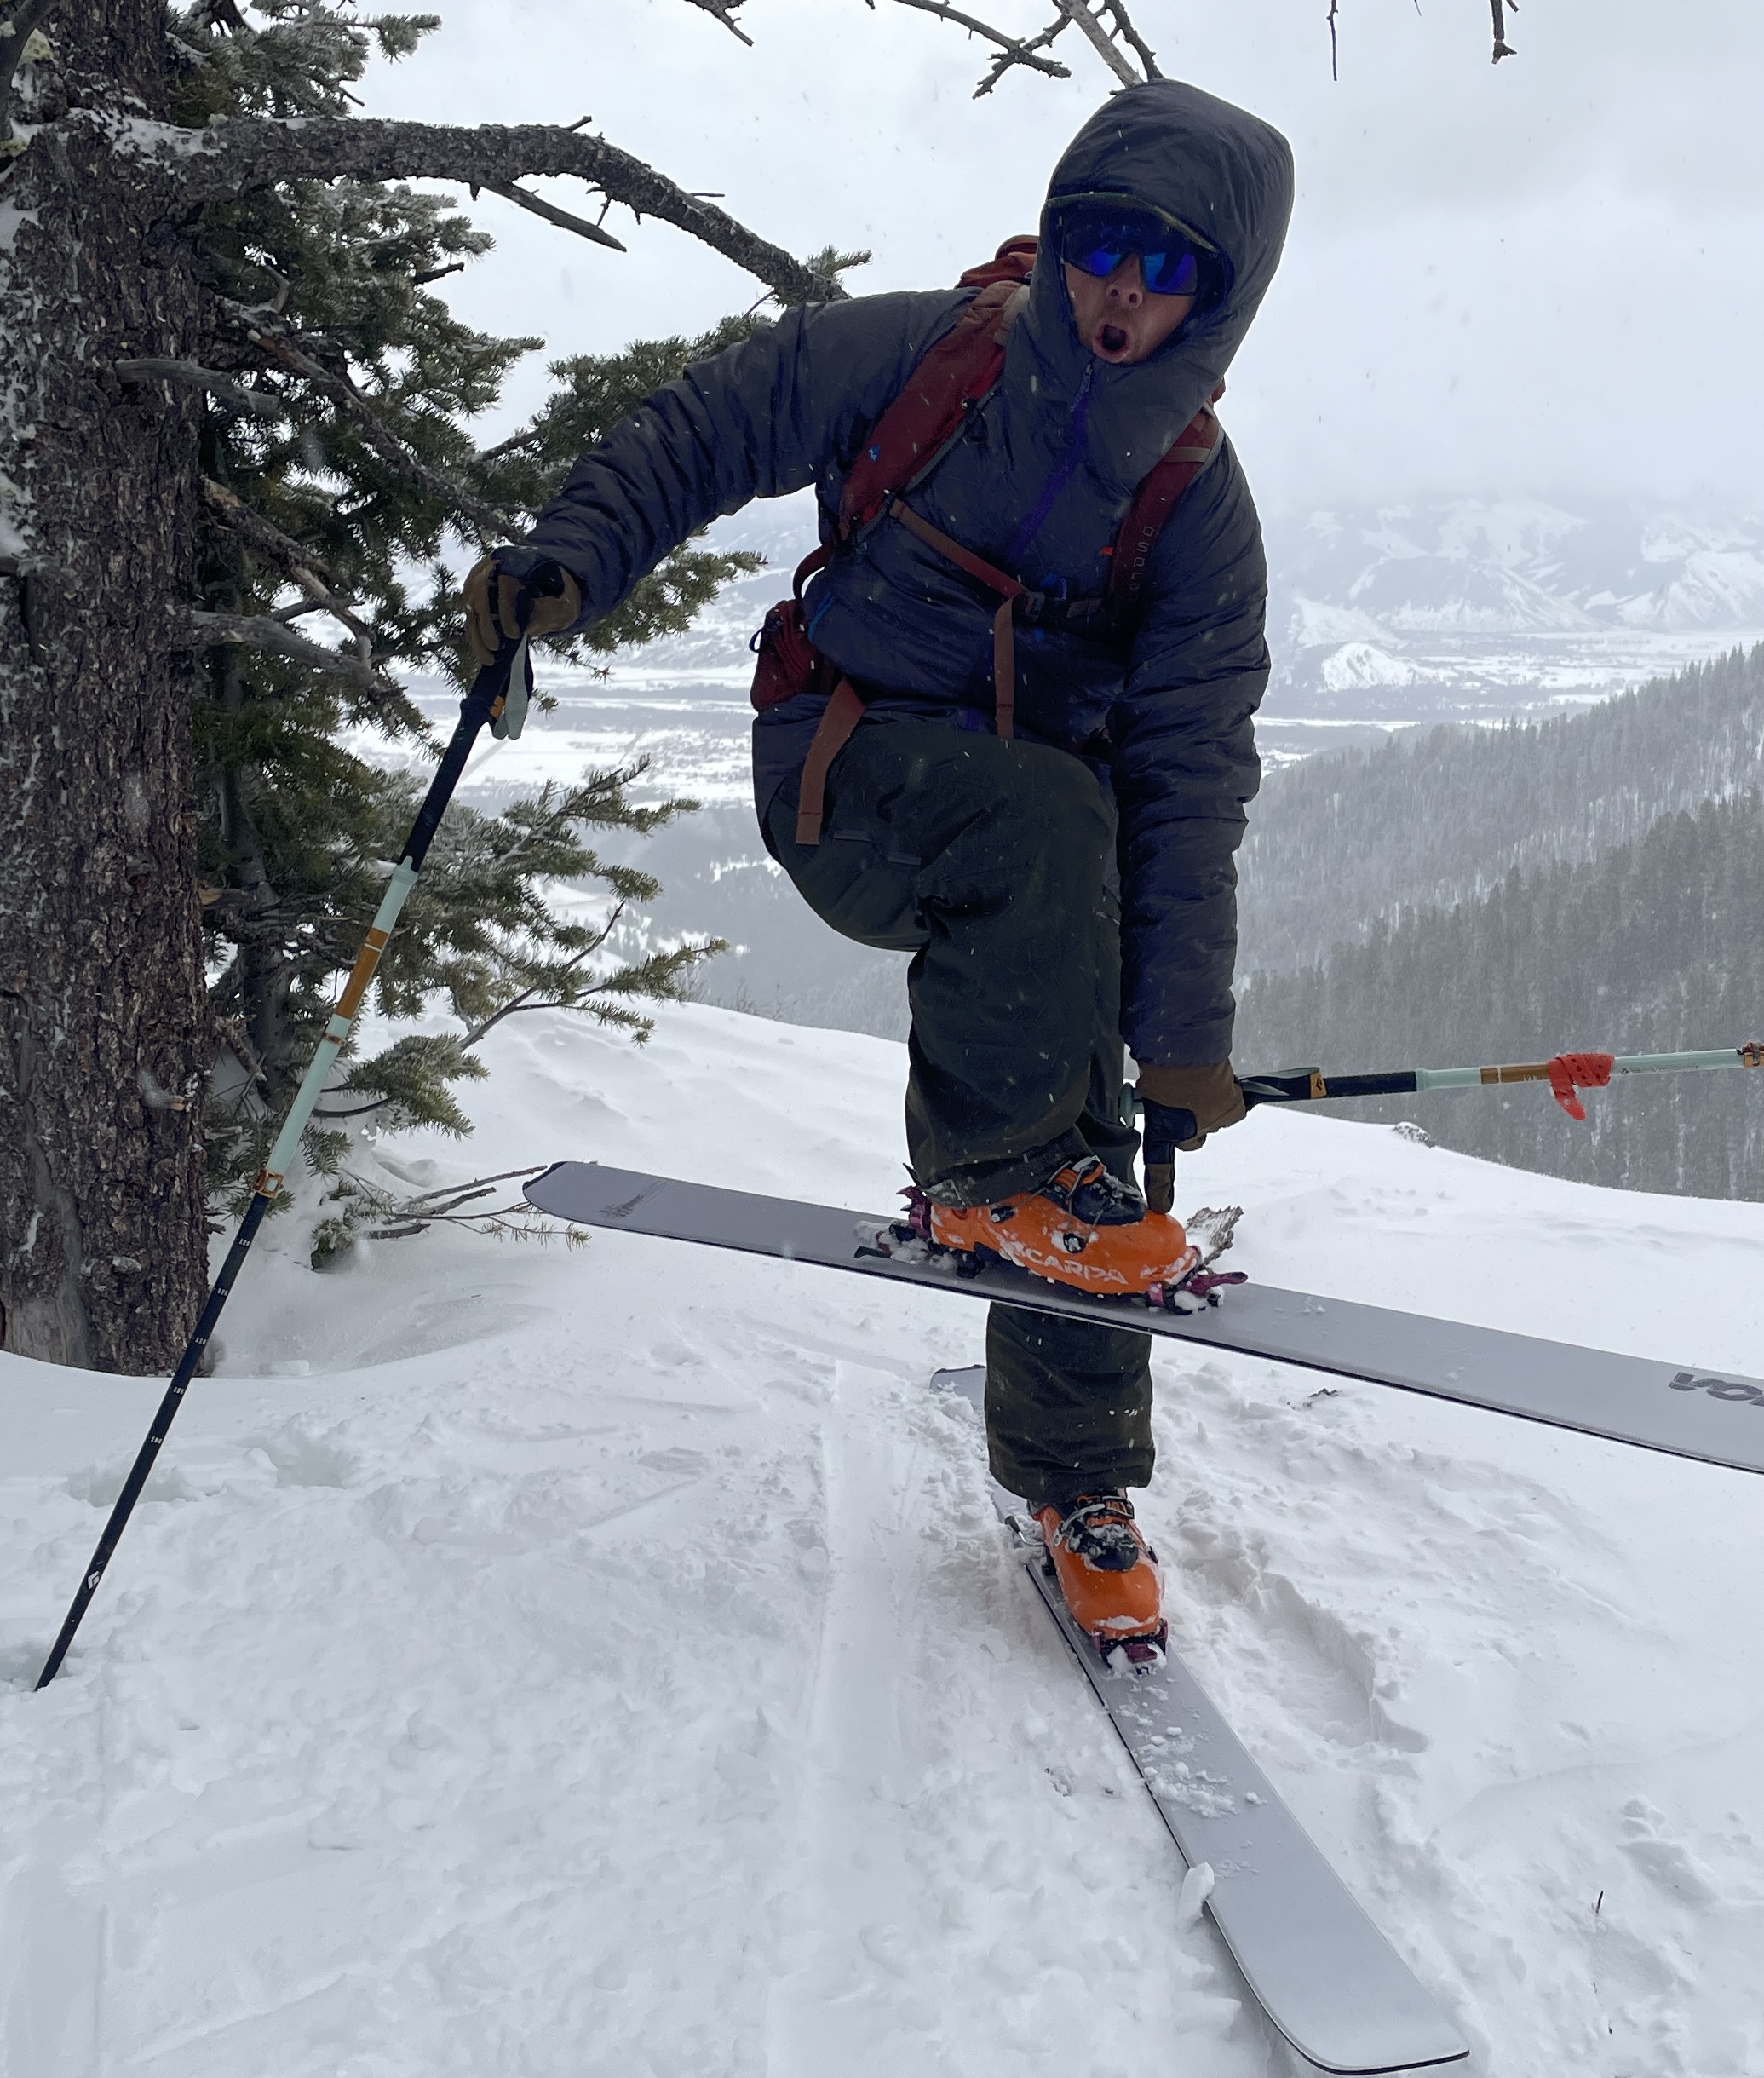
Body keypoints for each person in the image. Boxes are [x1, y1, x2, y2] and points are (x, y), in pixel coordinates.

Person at [463, 80, 1291, 1654]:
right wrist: (573, 560)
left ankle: (1074, 1478)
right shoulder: (927, 355)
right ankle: (990, 1182)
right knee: (1049, 834)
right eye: (1099, 245)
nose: (1118, 292)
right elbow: (708, 426)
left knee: (1084, 1119)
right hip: (841, 776)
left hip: (1029, 857)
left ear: (1221, 294)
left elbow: (1191, 776)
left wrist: (1180, 1035)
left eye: (1166, 268)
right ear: (1055, 237)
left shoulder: (1193, 502)